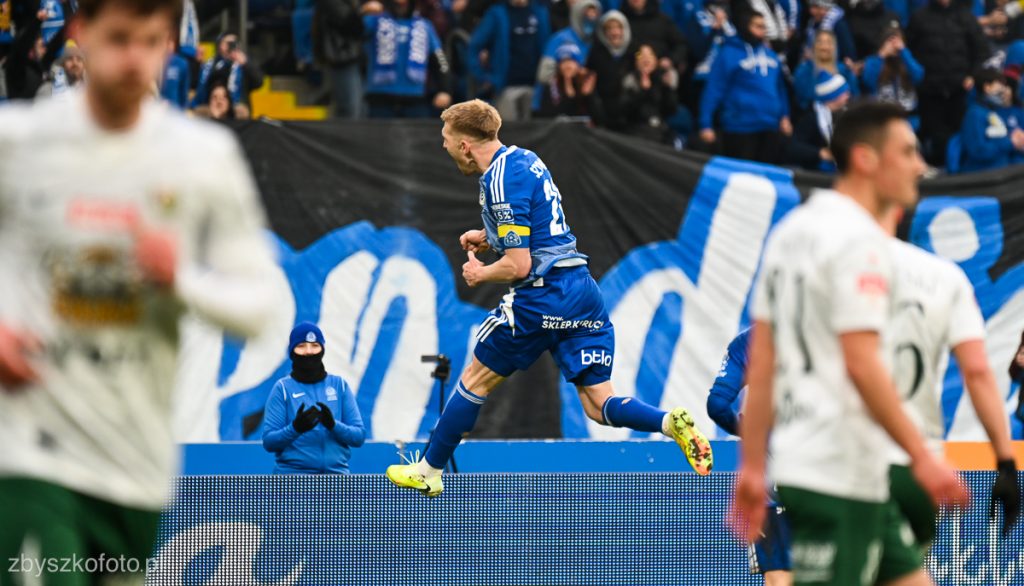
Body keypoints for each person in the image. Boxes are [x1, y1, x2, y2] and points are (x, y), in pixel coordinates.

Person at [0, 0, 279, 583]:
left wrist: (180, 280)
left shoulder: (203, 157)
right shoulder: (19, 140)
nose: (133, 58)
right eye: (118, 38)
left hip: (135, 461)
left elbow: (262, 307)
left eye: (150, 42)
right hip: (31, 448)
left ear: (170, 44)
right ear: (81, 35)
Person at [385, 99, 714, 497]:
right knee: (598, 403)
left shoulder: (498, 183)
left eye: (446, 139)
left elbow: (519, 264)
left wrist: (481, 272)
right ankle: (668, 422)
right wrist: (489, 237)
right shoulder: (525, 159)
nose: (444, 145)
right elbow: (537, 224)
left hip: (542, 294)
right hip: (581, 290)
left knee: (474, 380)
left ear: (466, 145)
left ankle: (429, 469)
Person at [732, 101, 968, 586]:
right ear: (865, 159)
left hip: (818, 465)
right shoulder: (860, 242)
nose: (920, 165)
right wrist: (923, 457)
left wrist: (753, 467)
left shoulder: (791, 232)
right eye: (907, 151)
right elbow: (861, 364)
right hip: (838, 471)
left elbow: (764, 361)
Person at [871, 207, 1020, 582]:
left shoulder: (819, 266)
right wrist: (1005, 462)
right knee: (905, 573)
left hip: (841, 465)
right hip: (916, 467)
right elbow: (978, 371)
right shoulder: (943, 277)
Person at [706, 328, 792, 586]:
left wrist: (750, 433)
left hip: (772, 474)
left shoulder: (751, 340)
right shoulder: (836, 330)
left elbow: (717, 405)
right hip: (830, 472)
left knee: (778, 574)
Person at [262, 323, 366, 475]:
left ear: (322, 350)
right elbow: (269, 442)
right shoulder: (282, 388)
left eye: (315, 345)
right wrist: (295, 428)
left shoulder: (339, 385)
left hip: (337, 477)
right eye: (301, 346)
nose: (309, 352)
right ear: (292, 351)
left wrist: (333, 425)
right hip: (292, 478)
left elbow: (358, 437)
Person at [699, 12, 792, 164]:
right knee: (742, 176)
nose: (762, 31)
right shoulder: (729, 53)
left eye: (764, 27)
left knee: (765, 175)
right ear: (745, 27)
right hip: (739, 128)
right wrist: (705, 123)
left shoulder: (771, 55)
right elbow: (714, 89)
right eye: (757, 26)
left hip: (770, 127)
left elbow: (780, 89)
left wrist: (785, 116)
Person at [906, 0, 990, 166]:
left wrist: (972, 76)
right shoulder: (919, 18)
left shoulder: (966, 17)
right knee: (937, 141)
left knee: (960, 138)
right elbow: (909, 51)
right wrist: (920, 80)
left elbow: (981, 51)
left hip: (960, 92)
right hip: (930, 93)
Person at [362, 0, 452, 118]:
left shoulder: (424, 25)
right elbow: (351, 33)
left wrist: (445, 90)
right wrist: (361, 12)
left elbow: (440, 60)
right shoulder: (373, 20)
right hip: (379, 98)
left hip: (415, 99)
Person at [468, 0, 551, 121]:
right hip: (506, 87)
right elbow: (474, 47)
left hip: (535, 86)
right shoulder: (497, 14)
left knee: (535, 129)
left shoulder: (540, 12)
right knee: (507, 129)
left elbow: (548, 47)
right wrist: (484, 77)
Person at [960, 68, 1024, 172]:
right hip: (982, 175)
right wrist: (1010, 142)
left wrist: (1016, 138)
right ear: (987, 87)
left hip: (1003, 171)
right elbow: (978, 150)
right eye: (999, 85)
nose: (1003, 90)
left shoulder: (992, 112)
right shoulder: (975, 115)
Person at [861, 26, 924, 131]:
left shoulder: (907, 61)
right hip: (882, 120)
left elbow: (918, 76)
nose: (894, 45)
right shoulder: (873, 61)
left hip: (908, 120)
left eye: (897, 41)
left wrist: (903, 51)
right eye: (890, 41)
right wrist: (881, 55)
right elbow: (868, 81)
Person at [785, 69, 849, 171]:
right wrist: (820, 153)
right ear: (832, 96)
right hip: (816, 171)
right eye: (843, 93)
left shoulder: (844, 113)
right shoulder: (811, 117)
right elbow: (793, 148)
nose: (848, 95)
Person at [313, 0, 365, 118]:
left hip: (362, 58)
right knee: (350, 110)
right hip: (341, 56)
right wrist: (364, 11)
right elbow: (348, 21)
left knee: (362, 110)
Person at [619, 43, 679, 144]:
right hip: (636, 131)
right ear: (636, 61)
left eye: (650, 55)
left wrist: (668, 89)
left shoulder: (662, 80)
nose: (646, 58)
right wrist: (643, 91)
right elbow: (625, 111)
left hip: (660, 131)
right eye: (641, 55)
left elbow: (671, 109)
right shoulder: (630, 81)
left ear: (656, 60)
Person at [586, 10, 635, 129]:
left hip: (632, 118)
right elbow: (591, 90)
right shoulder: (595, 55)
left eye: (618, 27)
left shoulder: (634, 53)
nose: (614, 32)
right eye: (609, 28)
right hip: (603, 116)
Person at [192, 31, 266, 109]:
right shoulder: (209, 65)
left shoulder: (243, 65)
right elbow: (195, 85)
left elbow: (259, 82)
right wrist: (197, 64)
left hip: (238, 111)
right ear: (220, 45)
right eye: (228, 43)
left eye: (234, 43)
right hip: (212, 109)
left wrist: (246, 64)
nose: (231, 46)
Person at [792, 29, 858, 112]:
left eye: (829, 42)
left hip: (843, 115)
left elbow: (855, 96)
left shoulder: (844, 69)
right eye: (820, 42)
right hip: (814, 116)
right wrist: (828, 104)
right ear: (813, 46)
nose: (824, 47)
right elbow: (802, 101)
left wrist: (851, 74)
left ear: (835, 47)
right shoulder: (803, 71)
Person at [536, 44, 598, 118]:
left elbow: (596, 114)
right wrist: (567, 85)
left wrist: (588, 96)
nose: (568, 65)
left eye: (571, 61)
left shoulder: (587, 81)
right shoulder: (553, 84)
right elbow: (548, 114)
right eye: (563, 62)